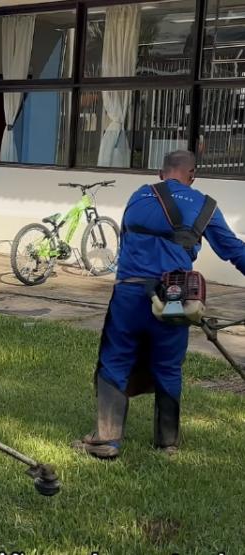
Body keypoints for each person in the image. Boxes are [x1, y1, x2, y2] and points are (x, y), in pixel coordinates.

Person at [73, 150, 245, 459]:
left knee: (116, 360)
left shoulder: (139, 196)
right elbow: (235, 251)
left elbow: (129, 240)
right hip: (176, 296)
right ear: (192, 175)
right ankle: (167, 445)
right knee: (168, 365)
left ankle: (106, 442)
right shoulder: (206, 207)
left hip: (129, 295)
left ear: (159, 173)